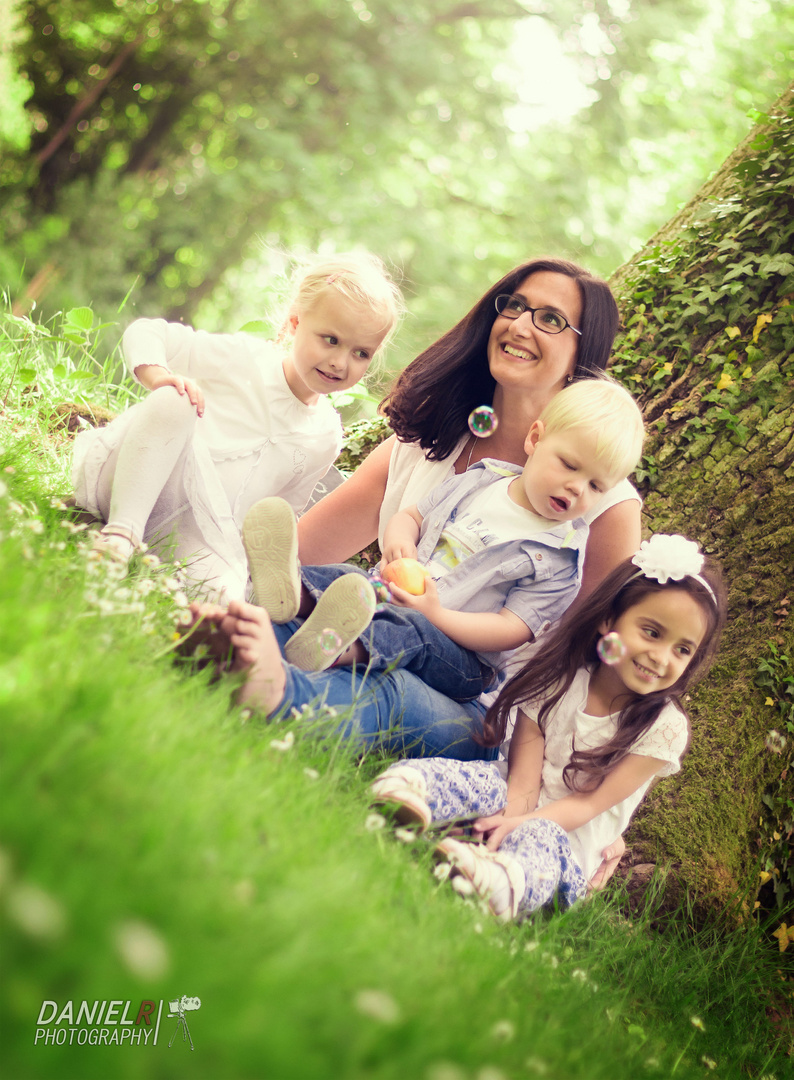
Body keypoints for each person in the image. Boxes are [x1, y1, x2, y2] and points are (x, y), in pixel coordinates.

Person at [367, 535, 727, 919]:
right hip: (518, 802)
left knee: (541, 835)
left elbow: (588, 804)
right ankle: (411, 790)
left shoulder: (663, 728)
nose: (661, 657)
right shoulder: (559, 681)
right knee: (487, 780)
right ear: (609, 620)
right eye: (652, 632)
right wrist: (507, 821)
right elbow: (523, 781)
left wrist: (519, 826)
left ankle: (501, 884)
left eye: (682, 649)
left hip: (565, 848)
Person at [241, 377, 645, 704]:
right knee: (349, 577)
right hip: (395, 592)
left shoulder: (558, 560)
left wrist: (436, 614)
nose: (576, 488)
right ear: (535, 440)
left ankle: (337, 649)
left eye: (595, 485)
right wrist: (400, 542)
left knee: (409, 630)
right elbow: (412, 516)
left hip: (461, 657)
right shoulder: (481, 481)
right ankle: (290, 593)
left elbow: (510, 630)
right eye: (569, 465)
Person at [71, 252, 403, 601]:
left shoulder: (325, 435)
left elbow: (279, 511)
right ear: (294, 324)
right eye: (331, 340)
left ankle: (274, 611)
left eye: (361, 353)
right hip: (138, 481)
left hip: (199, 532)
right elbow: (148, 332)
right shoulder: (246, 359)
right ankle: (120, 538)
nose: (340, 362)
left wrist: (245, 563)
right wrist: (160, 378)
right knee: (176, 398)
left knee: (223, 597)